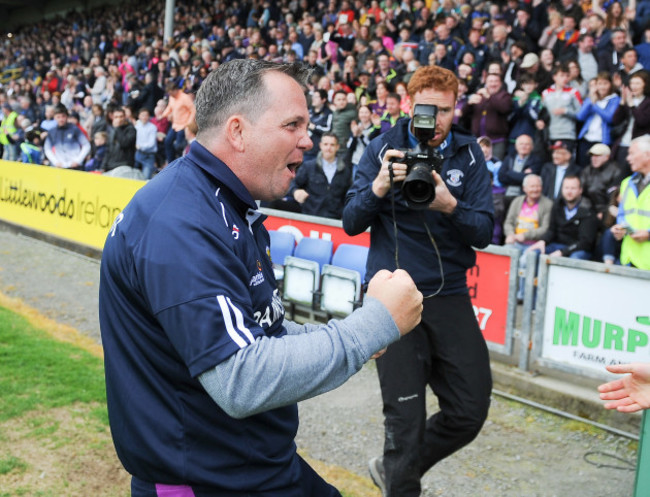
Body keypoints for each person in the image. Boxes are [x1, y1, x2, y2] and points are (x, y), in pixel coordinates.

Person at [99, 59, 423, 497]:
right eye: (293, 124)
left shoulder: (222, 205)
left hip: (252, 468)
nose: (308, 140)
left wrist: (361, 332)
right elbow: (241, 379)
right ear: (237, 131)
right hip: (212, 482)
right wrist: (372, 325)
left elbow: (258, 329)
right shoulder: (181, 222)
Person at [342, 65, 493, 497]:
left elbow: (483, 231)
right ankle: (402, 480)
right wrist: (378, 187)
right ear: (409, 105)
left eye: (445, 110)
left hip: (449, 294)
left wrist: (449, 205)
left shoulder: (468, 153)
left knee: (470, 408)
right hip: (393, 297)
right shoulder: (382, 147)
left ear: (456, 107)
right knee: (404, 420)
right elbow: (351, 221)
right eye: (428, 109)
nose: (437, 120)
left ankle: (396, 469)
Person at [503, 174, 554, 300]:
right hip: (516, 241)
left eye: (538, 186)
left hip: (534, 245)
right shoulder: (517, 201)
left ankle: (522, 296)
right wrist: (510, 234)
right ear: (524, 188)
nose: (535, 189)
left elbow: (545, 228)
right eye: (532, 186)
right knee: (504, 254)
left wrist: (525, 235)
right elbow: (508, 222)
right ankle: (504, 292)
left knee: (525, 261)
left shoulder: (548, 204)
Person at [528, 174, 598, 260]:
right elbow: (551, 230)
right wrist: (543, 241)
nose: (569, 191)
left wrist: (563, 252)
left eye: (573, 188)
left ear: (580, 190)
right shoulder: (557, 205)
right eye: (566, 188)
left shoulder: (588, 210)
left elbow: (586, 242)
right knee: (534, 253)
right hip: (557, 245)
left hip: (579, 249)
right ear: (562, 189)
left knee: (574, 259)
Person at [606, 134, 650, 269]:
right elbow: (622, 216)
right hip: (629, 259)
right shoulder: (626, 183)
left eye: (631, 154)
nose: (627, 158)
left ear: (647, 155)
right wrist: (619, 229)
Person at [290, 132, 352, 219]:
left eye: (332, 145)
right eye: (326, 144)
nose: (328, 148)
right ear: (320, 145)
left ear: (337, 147)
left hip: (334, 221)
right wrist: (295, 191)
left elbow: (348, 196)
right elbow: (293, 183)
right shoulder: (309, 166)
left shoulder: (345, 171)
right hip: (310, 218)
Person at [43, 104, 91, 170]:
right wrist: (55, 162)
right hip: (60, 167)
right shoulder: (52, 131)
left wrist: (78, 160)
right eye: (58, 117)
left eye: (63, 116)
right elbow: (47, 148)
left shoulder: (74, 129)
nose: (61, 119)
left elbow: (86, 145)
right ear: (54, 117)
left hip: (75, 166)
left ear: (67, 117)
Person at [161, 80, 196, 165]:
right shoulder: (171, 98)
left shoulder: (185, 97)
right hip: (175, 124)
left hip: (184, 125)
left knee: (179, 146)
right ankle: (170, 162)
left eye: (171, 93)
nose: (171, 95)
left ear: (175, 90)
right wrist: (163, 115)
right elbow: (170, 107)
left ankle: (181, 163)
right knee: (167, 142)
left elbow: (193, 110)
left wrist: (189, 123)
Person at [101, 106, 136, 172]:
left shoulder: (131, 129)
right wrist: (103, 166)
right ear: (112, 118)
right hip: (110, 166)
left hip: (124, 166)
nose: (119, 119)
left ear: (125, 117)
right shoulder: (112, 130)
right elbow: (108, 150)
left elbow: (124, 143)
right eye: (116, 117)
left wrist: (117, 128)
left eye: (121, 116)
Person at [134, 108, 158, 179]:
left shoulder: (152, 127)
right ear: (139, 116)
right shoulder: (137, 126)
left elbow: (151, 144)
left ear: (148, 116)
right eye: (142, 115)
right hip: (138, 154)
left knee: (145, 178)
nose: (144, 117)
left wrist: (140, 146)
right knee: (134, 176)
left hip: (149, 156)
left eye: (146, 115)